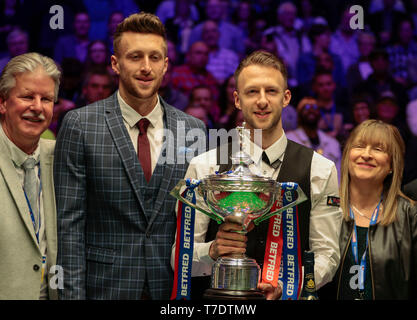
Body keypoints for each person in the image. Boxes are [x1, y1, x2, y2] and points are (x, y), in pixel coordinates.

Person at [54, 12, 206, 300]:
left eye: (154, 57)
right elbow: (69, 227)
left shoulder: (193, 129)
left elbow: (197, 224)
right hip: (105, 288)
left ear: (165, 65)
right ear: (115, 64)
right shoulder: (80, 125)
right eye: (135, 57)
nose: (146, 67)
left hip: (173, 290)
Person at [171, 50, 342, 300]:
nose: (262, 101)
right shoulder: (205, 166)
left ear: (286, 98)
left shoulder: (320, 168)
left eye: (271, 91)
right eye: (252, 92)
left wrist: (288, 286)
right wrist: (213, 250)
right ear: (237, 100)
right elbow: (178, 257)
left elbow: (328, 255)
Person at [0, 52, 61, 299]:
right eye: (27, 96)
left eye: (46, 99)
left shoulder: (62, 158)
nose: (37, 107)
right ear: (3, 102)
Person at [335, 119, 417, 300]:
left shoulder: (411, 215)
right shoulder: (326, 210)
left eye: (378, 149)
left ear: (392, 165)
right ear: (347, 155)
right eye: (359, 146)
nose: (366, 154)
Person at [287, 97, 341, 178]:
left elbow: (338, 176)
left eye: (315, 107)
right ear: (299, 113)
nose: (311, 110)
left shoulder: (332, 143)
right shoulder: (289, 139)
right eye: (307, 107)